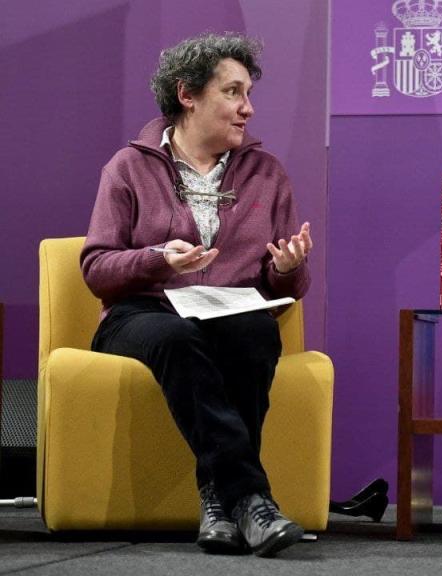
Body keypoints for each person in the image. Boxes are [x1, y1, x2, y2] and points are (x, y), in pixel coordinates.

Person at [81, 33, 312, 558]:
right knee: (178, 337)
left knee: (254, 331)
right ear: (187, 94)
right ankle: (249, 496)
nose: (247, 108)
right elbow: (96, 268)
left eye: (248, 93)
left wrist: (287, 270)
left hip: (232, 309)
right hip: (143, 312)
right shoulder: (128, 167)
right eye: (232, 92)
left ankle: (216, 502)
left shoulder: (267, 173)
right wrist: (157, 259)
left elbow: (288, 288)